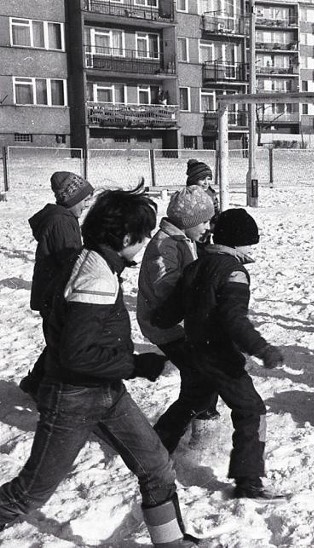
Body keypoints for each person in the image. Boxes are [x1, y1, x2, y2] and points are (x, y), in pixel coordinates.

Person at [0, 189, 197, 546]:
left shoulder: (99, 262)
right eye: (142, 236)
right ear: (125, 238)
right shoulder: (94, 276)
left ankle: (172, 543)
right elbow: (77, 355)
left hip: (107, 393)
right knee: (30, 493)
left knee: (156, 467)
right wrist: (138, 364)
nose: (144, 243)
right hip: (72, 399)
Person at [154, 208, 287, 501]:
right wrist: (262, 348)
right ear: (238, 242)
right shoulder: (234, 272)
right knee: (251, 410)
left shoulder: (197, 266)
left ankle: (154, 449)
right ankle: (248, 480)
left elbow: (169, 312)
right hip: (220, 356)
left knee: (193, 400)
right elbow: (234, 319)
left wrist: (164, 318)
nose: (253, 248)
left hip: (194, 351)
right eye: (251, 242)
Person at [137, 186, 220, 453]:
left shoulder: (184, 240)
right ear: (188, 222)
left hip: (182, 323)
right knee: (201, 378)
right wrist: (200, 289)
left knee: (201, 373)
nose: (208, 227)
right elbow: (166, 288)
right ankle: (162, 441)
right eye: (205, 221)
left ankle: (202, 420)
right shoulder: (164, 246)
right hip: (165, 325)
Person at [18, 171, 94, 399]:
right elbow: (69, 260)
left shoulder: (64, 218)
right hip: (54, 294)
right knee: (62, 342)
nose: (87, 204)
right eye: (84, 199)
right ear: (70, 199)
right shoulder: (61, 222)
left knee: (58, 341)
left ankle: (35, 382)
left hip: (51, 293)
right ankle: (47, 387)